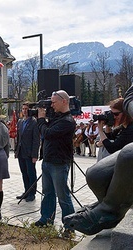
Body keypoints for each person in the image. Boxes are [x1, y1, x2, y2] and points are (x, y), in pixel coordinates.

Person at [64, 85, 133, 235]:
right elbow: (130, 94)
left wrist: (101, 130)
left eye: (115, 115)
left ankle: (109, 211)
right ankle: (108, 204)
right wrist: (107, 127)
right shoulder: (124, 127)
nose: (112, 117)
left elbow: (114, 147)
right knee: (95, 174)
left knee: (128, 154)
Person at [34, 90, 76, 238]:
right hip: (48, 160)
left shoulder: (68, 121)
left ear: (64, 101)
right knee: (48, 193)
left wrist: (41, 120)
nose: (51, 105)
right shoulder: (56, 118)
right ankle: (46, 219)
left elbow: (47, 133)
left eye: (54, 102)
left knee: (63, 196)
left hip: (59, 163)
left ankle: (70, 227)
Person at [14, 102, 40, 202]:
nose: (24, 111)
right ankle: (26, 191)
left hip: (29, 153)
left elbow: (36, 140)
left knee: (31, 173)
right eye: (23, 109)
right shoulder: (20, 122)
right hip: (21, 152)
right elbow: (19, 137)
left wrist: (34, 155)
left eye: (26, 109)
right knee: (24, 173)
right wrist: (16, 151)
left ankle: (32, 193)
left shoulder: (34, 122)